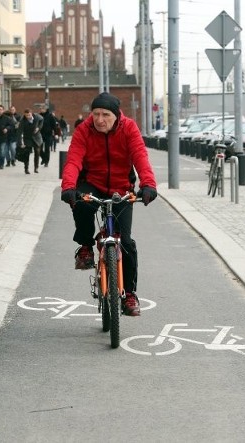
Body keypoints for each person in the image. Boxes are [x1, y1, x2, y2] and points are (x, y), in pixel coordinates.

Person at [60, 92, 157, 316]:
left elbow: (140, 155)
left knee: (127, 242)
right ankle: (85, 247)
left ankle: (130, 294)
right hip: (92, 182)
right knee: (82, 204)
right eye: (96, 114)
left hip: (120, 188)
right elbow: (74, 159)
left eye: (105, 115)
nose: (100, 119)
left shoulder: (129, 128)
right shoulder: (84, 130)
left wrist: (148, 184)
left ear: (116, 116)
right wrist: (68, 187)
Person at [18, 108, 44, 174]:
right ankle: (26, 168)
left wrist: (38, 128)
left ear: (31, 113)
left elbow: (42, 120)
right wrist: (20, 143)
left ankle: (36, 168)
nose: (28, 117)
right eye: (26, 115)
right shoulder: (22, 121)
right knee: (27, 153)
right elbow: (19, 132)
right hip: (27, 138)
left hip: (37, 137)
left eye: (29, 115)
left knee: (37, 152)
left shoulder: (37, 116)